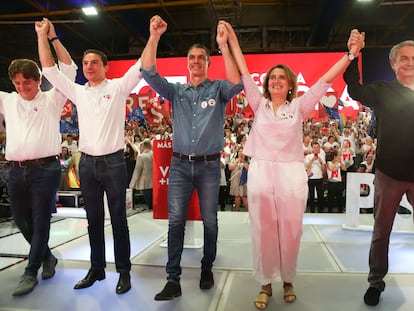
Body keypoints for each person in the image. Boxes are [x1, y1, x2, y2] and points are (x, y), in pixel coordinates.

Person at [221, 21, 365, 310]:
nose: (275, 81)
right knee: (263, 230)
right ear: (267, 84)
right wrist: (228, 41)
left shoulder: (299, 107)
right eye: (272, 77)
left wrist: (350, 55)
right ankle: (265, 284)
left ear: (289, 85)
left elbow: (325, 80)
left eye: (281, 78)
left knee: (290, 229)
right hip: (261, 170)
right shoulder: (258, 104)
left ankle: (287, 280)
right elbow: (244, 68)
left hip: (290, 173)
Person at [36, 18, 143, 295]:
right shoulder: (78, 92)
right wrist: (45, 37)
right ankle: (96, 269)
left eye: (94, 62)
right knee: (93, 219)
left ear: (105, 67)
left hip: (114, 162)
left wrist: (153, 36)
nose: (88, 67)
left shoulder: (118, 87)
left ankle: (123, 271)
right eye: (85, 63)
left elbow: (142, 65)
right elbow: (49, 69)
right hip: (88, 164)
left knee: (119, 219)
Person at [140, 15, 243, 300]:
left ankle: (206, 267)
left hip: (210, 166)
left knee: (210, 221)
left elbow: (237, 81)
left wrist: (223, 46)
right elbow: (148, 72)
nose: (196, 61)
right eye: (192, 58)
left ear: (208, 63)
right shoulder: (176, 92)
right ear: (187, 63)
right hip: (180, 165)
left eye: (201, 57)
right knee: (176, 222)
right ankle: (172, 279)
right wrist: (154, 36)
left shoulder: (218, 89)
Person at [0, 19, 77, 296]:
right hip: (14, 170)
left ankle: (30, 270)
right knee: (21, 221)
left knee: (41, 220)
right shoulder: (7, 100)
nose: (22, 87)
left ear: (39, 80)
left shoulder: (51, 99)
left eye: (28, 82)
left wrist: (49, 38)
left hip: (46, 169)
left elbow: (69, 69)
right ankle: (47, 256)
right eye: (17, 82)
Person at [343, 35, 414, 307]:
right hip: (389, 173)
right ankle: (376, 282)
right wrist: (354, 52)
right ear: (393, 63)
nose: (409, 63)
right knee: (381, 232)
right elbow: (354, 90)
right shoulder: (383, 90)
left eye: (413, 59)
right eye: (404, 58)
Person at [129, 138, 153, 210]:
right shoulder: (154, 153)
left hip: (145, 182)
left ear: (143, 146)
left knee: (149, 204)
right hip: (154, 181)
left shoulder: (141, 157)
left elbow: (137, 171)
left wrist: (132, 184)